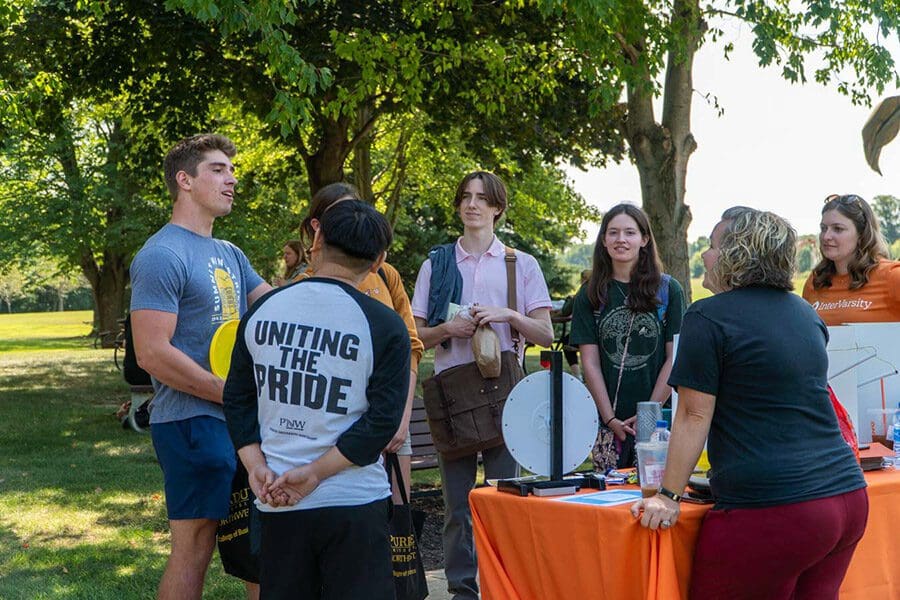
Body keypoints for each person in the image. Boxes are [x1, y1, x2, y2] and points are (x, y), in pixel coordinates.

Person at [633, 210, 868, 600]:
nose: (704, 257)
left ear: (734, 255)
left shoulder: (707, 316)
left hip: (778, 507)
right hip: (847, 498)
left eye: (710, 247)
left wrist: (667, 495)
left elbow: (694, 414)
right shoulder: (804, 314)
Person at [222, 200, 410, 599]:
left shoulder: (263, 311)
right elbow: (381, 424)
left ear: (317, 238)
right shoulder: (384, 324)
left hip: (276, 498)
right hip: (355, 503)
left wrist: (255, 466)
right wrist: (317, 473)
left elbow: (237, 399)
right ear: (378, 260)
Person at [130, 134, 271, 600]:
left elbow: (275, 307)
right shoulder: (161, 254)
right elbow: (152, 352)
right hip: (190, 424)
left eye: (232, 170)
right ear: (184, 180)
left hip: (241, 423)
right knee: (194, 547)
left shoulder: (230, 253)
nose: (231, 179)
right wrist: (228, 393)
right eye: (218, 169)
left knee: (261, 546)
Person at [411, 170, 554, 600]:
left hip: (503, 395)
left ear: (497, 208)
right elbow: (414, 334)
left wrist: (508, 315)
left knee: (504, 502)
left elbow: (546, 334)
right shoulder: (436, 264)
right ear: (459, 206)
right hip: (452, 395)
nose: (472, 204)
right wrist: (449, 327)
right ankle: (462, 591)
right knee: (457, 505)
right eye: (465, 197)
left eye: (481, 198)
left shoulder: (520, 264)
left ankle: (501, 586)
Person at [298, 182, 425, 502]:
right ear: (318, 228)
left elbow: (412, 345)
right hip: (333, 427)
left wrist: (402, 416)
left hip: (393, 416)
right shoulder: (302, 286)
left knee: (397, 522)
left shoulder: (386, 275)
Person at [569, 204, 684, 469]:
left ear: (644, 240)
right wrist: (609, 418)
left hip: (658, 421)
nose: (621, 239)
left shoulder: (668, 290)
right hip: (607, 422)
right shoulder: (590, 294)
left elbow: (674, 357)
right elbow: (590, 363)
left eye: (630, 233)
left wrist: (648, 414)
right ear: (604, 240)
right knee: (609, 500)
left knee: (653, 498)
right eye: (613, 232)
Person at [802, 193, 900, 325]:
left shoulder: (892, 276)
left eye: (838, 229)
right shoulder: (815, 281)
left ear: (862, 234)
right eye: (823, 228)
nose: (826, 236)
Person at [553, 268, 591, 379]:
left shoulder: (583, 291)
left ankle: (577, 374)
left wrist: (569, 300)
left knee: (566, 343)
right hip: (597, 332)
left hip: (583, 335)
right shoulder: (600, 289)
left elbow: (565, 311)